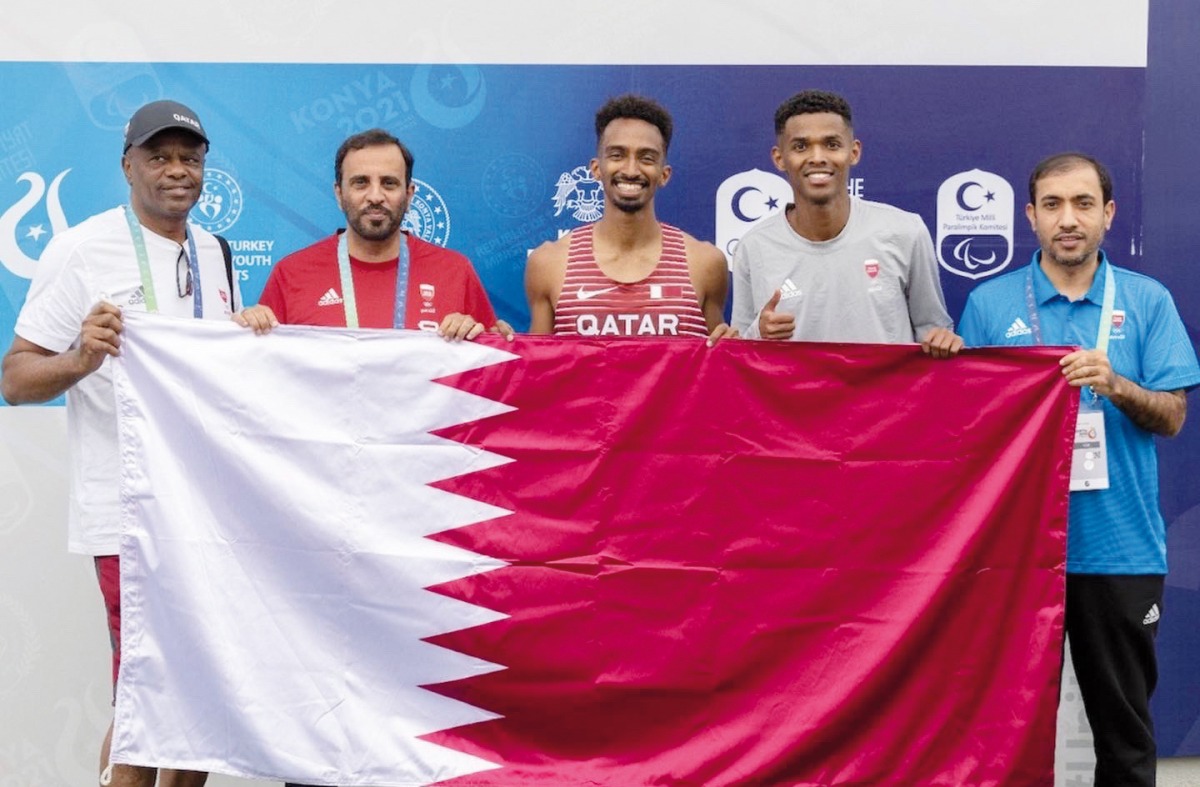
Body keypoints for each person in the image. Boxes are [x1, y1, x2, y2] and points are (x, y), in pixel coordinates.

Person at [0, 99, 262, 787]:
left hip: (207, 513)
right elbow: (16, 377)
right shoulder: (81, 248)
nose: (177, 170)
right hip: (127, 514)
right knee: (144, 699)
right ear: (128, 166)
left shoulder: (215, 251)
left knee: (201, 699)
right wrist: (82, 358)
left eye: (189, 157)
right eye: (159, 156)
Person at [958, 152, 1200, 786]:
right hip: (1014, 556)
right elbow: (968, 431)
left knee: (1123, 738)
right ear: (1031, 217)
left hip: (1119, 553)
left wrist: (1116, 384)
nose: (1069, 219)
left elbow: (1172, 416)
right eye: (1055, 205)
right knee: (999, 733)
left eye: (1084, 204)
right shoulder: (990, 302)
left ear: (1108, 215)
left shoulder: (1147, 300)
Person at [731, 89, 961, 357]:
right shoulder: (753, 246)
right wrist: (759, 332)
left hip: (885, 399)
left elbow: (932, 330)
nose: (817, 157)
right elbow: (740, 354)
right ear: (779, 158)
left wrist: (942, 341)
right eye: (800, 146)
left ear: (853, 152)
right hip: (794, 400)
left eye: (831, 144)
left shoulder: (906, 231)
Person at [248, 128, 508, 341]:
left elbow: (491, 373)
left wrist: (485, 336)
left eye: (389, 183)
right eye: (360, 182)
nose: (375, 196)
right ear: (339, 194)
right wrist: (247, 329)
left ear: (408, 194)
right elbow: (262, 376)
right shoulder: (291, 274)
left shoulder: (456, 272)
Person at [525, 94, 735, 344]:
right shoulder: (548, 262)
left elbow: (717, 368)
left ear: (664, 174)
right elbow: (537, 370)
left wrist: (733, 346)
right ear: (596, 169)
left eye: (646, 158)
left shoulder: (705, 263)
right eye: (617, 155)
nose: (631, 170)